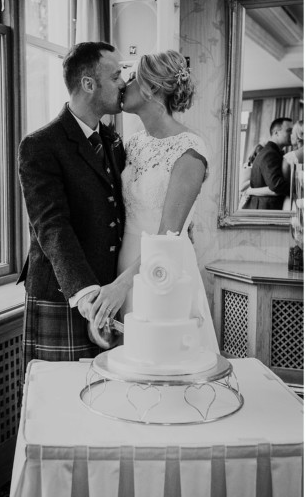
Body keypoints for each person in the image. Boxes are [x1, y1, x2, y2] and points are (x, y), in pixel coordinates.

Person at [88, 50, 219, 356]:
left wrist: (122, 286)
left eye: (131, 78)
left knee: (162, 360)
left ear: (152, 88)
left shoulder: (189, 151)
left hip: (161, 272)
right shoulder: (133, 143)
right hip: (123, 266)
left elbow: (167, 235)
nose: (124, 85)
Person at [17, 41, 127, 364]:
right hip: (63, 294)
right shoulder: (39, 146)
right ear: (88, 84)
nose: (123, 83)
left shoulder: (113, 142)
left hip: (107, 296)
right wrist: (87, 295)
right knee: (57, 407)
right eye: (117, 75)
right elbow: (52, 227)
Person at [244, 119, 303, 209]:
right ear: (276, 133)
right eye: (288, 130)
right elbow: (276, 185)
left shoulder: (274, 152)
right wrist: (300, 189)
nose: (292, 134)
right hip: (265, 208)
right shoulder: (270, 153)